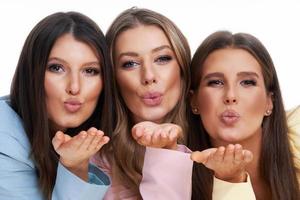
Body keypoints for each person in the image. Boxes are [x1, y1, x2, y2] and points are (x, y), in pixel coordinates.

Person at [92, 8, 254, 199]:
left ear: (182, 69)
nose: (149, 76)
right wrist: (164, 154)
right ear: (113, 77)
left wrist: (231, 179)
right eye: (130, 63)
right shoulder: (98, 165)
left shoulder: (217, 138)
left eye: (162, 58)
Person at [0, 12, 114, 200]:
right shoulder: (5, 144)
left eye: (90, 71)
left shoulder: (93, 140)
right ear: (31, 73)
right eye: (56, 68)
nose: (74, 87)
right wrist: (75, 168)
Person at [189, 31, 300, 200]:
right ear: (194, 101)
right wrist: (230, 181)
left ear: (270, 102)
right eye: (215, 82)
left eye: (247, 82)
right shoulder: (176, 179)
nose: (231, 96)